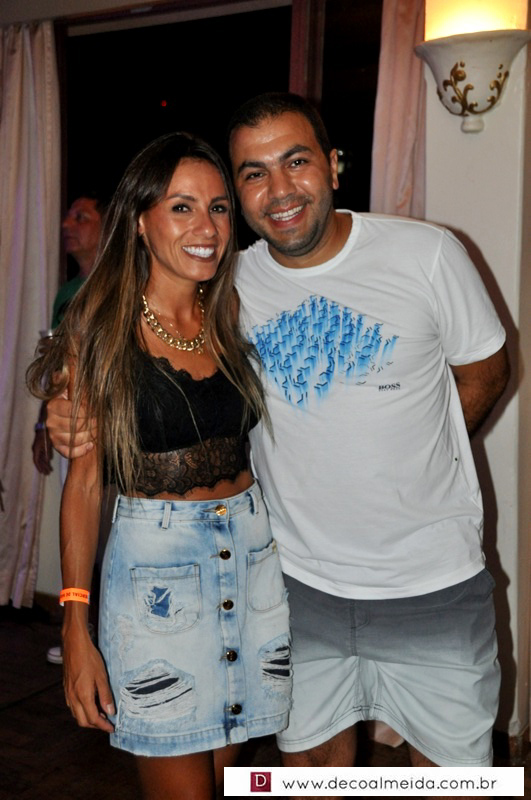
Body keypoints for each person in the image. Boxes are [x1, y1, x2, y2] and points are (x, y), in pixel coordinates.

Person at [46, 94, 510, 780]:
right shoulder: (225, 285)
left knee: (455, 780)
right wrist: (63, 415)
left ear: (333, 165)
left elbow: (487, 372)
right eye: (253, 174)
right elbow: (96, 441)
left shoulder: (418, 255)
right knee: (307, 775)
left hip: (410, 582)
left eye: (296, 162)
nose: (279, 189)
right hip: (292, 584)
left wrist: (413, 455)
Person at [27, 132, 291, 800]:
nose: (207, 227)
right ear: (140, 221)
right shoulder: (99, 326)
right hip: (156, 579)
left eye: (219, 207)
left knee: (225, 778)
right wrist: (76, 624)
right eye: (181, 207)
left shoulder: (231, 308)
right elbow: (85, 484)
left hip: (253, 560)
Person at [32, 192, 105, 666]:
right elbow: (55, 366)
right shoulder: (66, 294)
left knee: (113, 533)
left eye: (81, 216)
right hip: (71, 425)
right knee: (78, 525)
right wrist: (42, 424)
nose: (67, 225)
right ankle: (81, 628)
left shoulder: (123, 283)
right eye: (67, 216)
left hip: (116, 428)